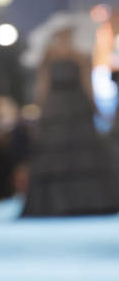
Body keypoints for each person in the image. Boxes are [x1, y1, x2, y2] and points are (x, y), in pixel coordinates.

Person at [20, 18, 119, 216]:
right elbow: (43, 83)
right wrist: (39, 107)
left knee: (84, 153)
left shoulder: (80, 55)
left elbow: (86, 83)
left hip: (75, 107)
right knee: (57, 152)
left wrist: (95, 107)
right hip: (57, 108)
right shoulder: (49, 55)